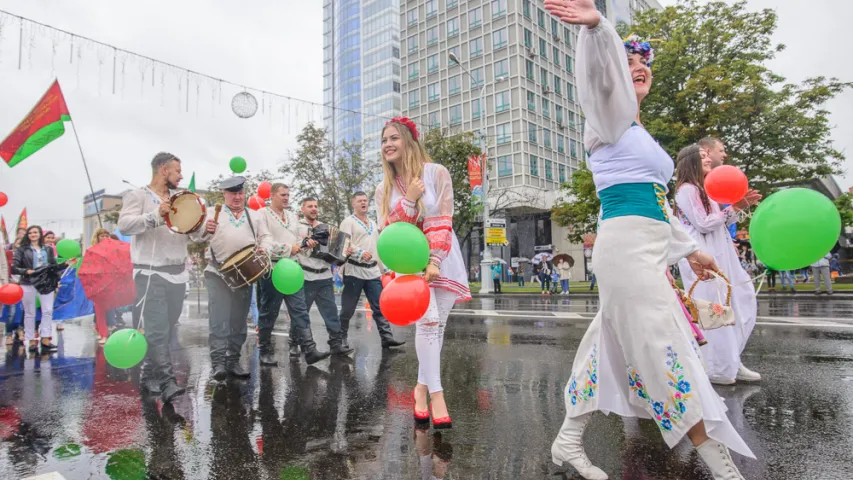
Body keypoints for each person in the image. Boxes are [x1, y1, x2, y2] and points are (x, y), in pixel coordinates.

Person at [544, 2, 753, 479]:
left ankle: (568, 441)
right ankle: (724, 469)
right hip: (627, 251)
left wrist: (692, 250)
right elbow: (599, 78)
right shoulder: (608, 116)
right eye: (629, 62)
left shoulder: (637, 133)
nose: (637, 69)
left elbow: (658, 206)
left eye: (645, 65)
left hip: (643, 246)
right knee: (665, 348)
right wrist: (598, 30)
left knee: (609, 345)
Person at [375, 116, 471, 430]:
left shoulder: (436, 172)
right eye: (384, 140)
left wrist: (434, 260)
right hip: (406, 264)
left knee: (437, 326)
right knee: (427, 323)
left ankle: (419, 391)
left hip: (440, 256)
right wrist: (409, 199)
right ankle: (437, 396)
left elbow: (443, 219)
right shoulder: (383, 188)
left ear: (409, 141)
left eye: (393, 138)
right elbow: (388, 229)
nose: (388, 144)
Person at [118, 152, 209, 402]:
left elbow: (193, 235)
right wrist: (156, 215)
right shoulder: (138, 195)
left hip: (178, 274)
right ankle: (168, 381)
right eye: (177, 171)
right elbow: (124, 225)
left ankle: (148, 376)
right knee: (157, 331)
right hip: (150, 273)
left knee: (166, 330)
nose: (181, 175)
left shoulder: (180, 199)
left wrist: (204, 230)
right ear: (162, 170)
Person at [673, 144, 762, 386]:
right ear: (690, 161)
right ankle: (717, 368)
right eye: (702, 157)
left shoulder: (707, 189)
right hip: (702, 255)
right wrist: (734, 208)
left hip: (722, 252)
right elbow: (702, 224)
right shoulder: (686, 190)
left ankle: (732, 360)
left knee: (742, 300)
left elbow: (718, 223)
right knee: (714, 312)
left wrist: (738, 207)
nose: (708, 159)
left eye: (707, 155)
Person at [204, 175, 274, 381]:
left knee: (238, 320)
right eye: (233, 193)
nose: (237, 197)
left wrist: (265, 249)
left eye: (241, 193)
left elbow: (267, 237)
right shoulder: (212, 213)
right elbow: (195, 237)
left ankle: (233, 360)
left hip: (245, 275)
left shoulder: (255, 216)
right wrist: (204, 231)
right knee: (219, 319)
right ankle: (218, 364)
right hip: (217, 273)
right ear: (224, 194)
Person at [255, 183, 330, 366]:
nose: (287, 198)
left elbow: (297, 240)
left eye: (288, 194)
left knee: (300, 310)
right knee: (268, 313)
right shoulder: (262, 215)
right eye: (283, 195)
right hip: (272, 269)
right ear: (272, 195)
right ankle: (265, 351)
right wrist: (290, 248)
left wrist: (305, 244)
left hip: (293, 269)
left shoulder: (291, 216)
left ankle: (309, 350)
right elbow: (265, 243)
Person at [337, 191, 406, 350]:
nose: (364, 203)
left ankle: (386, 337)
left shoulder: (374, 224)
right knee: (348, 308)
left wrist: (384, 269)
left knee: (379, 306)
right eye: (360, 201)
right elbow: (344, 242)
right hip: (354, 271)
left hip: (373, 272)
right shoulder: (348, 222)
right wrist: (359, 252)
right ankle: (340, 339)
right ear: (353, 203)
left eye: (365, 201)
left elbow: (377, 247)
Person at [294, 198, 353, 357]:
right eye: (310, 206)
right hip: (305, 276)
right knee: (301, 313)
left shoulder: (325, 227)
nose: (313, 209)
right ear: (302, 209)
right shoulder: (297, 226)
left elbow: (336, 257)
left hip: (325, 276)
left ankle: (336, 344)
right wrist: (305, 243)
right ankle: (293, 344)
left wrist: (344, 254)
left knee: (331, 313)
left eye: (315, 206)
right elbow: (294, 248)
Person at [12, 225, 71, 354]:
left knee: (47, 311)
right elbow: (14, 267)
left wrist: (65, 264)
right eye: (31, 232)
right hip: (28, 282)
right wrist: (26, 271)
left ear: (40, 234)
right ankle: (31, 341)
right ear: (28, 235)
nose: (33, 234)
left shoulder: (48, 249)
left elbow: (53, 267)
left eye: (35, 232)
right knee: (30, 313)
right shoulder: (22, 250)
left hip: (46, 282)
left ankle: (45, 340)